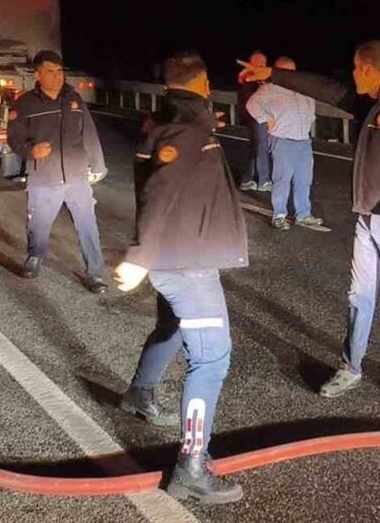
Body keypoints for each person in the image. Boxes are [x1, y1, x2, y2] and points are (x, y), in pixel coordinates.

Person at [239, 40, 380, 410]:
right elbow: (324, 88)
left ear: (367, 68)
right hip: (366, 221)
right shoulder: (368, 103)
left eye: (354, 68)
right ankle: (351, 367)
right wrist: (273, 74)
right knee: (359, 299)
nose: (351, 75)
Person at [115, 51, 247, 505]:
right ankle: (192, 466)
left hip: (178, 251)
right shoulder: (185, 129)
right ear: (205, 82)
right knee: (211, 361)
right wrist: (140, 255)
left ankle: (140, 390)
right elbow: (161, 188)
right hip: (184, 259)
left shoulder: (171, 120)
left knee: (172, 327)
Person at [6, 51, 109, 294]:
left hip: (76, 177)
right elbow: (14, 139)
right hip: (44, 177)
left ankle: (95, 273)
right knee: (39, 224)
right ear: (37, 74)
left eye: (60, 71)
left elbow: (89, 134)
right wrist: (31, 150)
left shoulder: (73, 100)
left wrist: (98, 165)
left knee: (87, 226)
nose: (57, 76)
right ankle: (34, 257)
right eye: (50, 71)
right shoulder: (25, 104)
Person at [245, 57, 322, 230]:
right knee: (282, 180)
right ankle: (279, 215)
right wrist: (266, 118)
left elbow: (312, 103)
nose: (290, 75)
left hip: (304, 141)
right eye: (286, 71)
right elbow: (251, 103)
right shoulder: (269, 89)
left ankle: (303, 214)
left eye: (292, 71)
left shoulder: (303, 89)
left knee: (304, 180)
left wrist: (311, 118)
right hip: (282, 140)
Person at [236, 50, 272, 192]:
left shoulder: (261, 78)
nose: (263, 65)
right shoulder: (247, 77)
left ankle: (247, 179)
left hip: (258, 117)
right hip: (255, 117)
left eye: (264, 62)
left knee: (256, 147)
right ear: (251, 64)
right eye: (259, 63)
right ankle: (264, 180)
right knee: (261, 146)